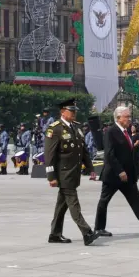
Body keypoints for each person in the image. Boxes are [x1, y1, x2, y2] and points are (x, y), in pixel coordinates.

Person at [94, 106, 139, 238]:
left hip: (128, 176)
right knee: (104, 201)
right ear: (118, 117)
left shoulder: (126, 132)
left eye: (129, 116)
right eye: (126, 116)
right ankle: (99, 228)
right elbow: (109, 154)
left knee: (136, 201)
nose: (129, 119)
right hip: (114, 175)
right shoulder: (111, 131)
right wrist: (120, 171)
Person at [45, 98, 100, 246]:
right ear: (63, 112)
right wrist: (51, 176)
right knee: (73, 204)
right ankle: (87, 232)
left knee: (61, 205)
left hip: (74, 172)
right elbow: (49, 155)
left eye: (75, 111)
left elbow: (83, 151)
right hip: (63, 174)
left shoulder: (76, 127)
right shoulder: (55, 129)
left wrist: (91, 168)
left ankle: (55, 234)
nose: (74, 113)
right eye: (72, 111)